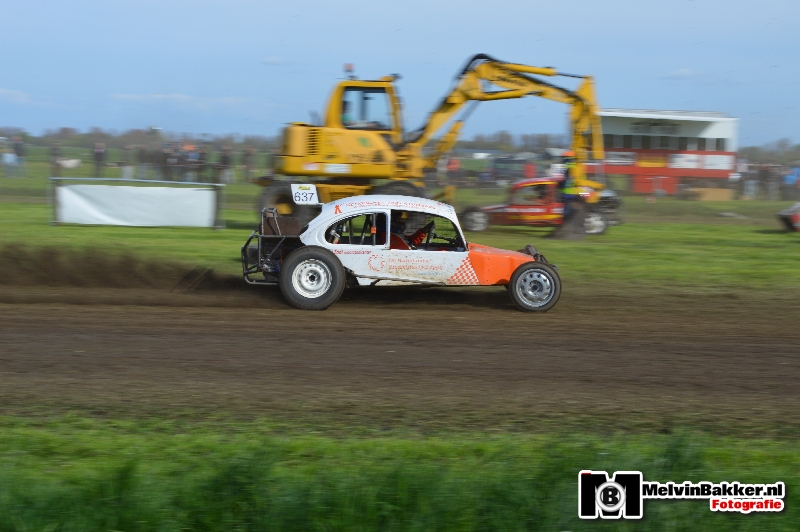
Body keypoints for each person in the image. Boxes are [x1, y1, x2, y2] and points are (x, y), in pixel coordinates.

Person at [557, 151, 580, 219]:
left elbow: (563, 182)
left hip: (568, 194)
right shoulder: (570, 168)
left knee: (567, 211)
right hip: (570, 194)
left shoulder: (568, 168)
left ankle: (567, 219)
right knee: (568, 210)